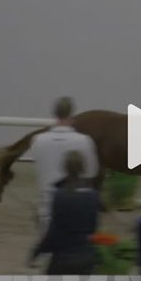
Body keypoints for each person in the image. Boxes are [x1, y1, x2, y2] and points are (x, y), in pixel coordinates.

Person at [28, 150, 104, 281]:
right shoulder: (93, 195)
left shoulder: (59, 195)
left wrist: (37, 251)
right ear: (83, 168)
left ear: (65, 168)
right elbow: (93, 227)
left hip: (63, 257)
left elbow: (55, 231)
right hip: (86, 255)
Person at [31, 97, 99, 232]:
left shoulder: (38, 140)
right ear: (71, 113)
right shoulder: (84, 141)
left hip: (47, 207)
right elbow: (92, 172)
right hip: (76, 208)